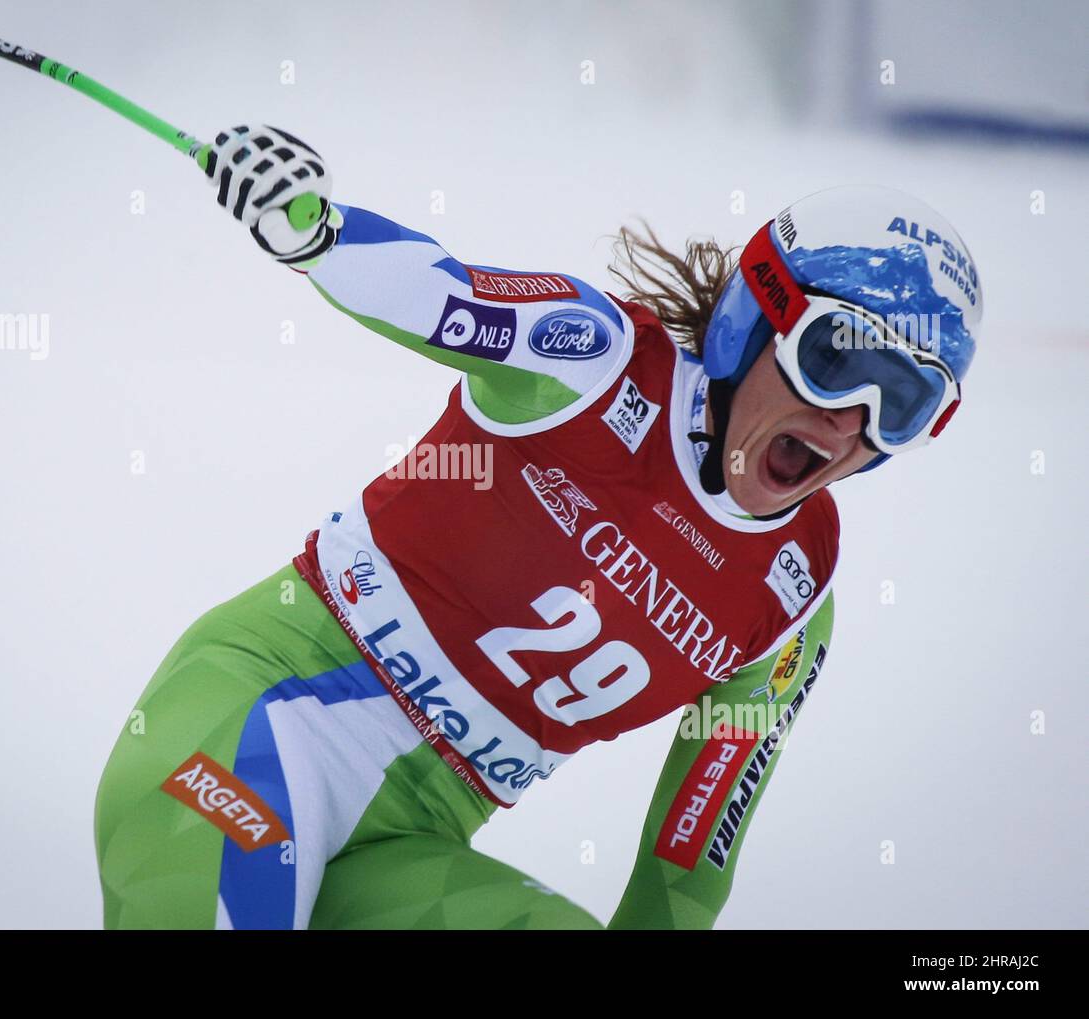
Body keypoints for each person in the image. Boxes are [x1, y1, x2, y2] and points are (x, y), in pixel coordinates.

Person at [93, 125, 982, 929]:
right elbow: (435, 289)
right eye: (834, 360)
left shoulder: (794, 593)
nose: (847, 420)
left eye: (900, 403)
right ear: (752, 321)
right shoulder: (594, 363)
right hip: (263, 714)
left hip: (407, 848)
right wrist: (317, 233)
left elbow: (687, 866)